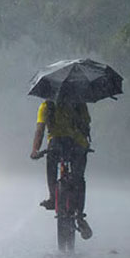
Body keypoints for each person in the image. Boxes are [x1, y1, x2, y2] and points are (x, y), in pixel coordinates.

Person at [30, 98, 92, 238]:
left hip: (56, 144)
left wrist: (35, 150)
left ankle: (53, 197)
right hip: (77, 144)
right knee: (79, 178)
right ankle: (80, 216)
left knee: (51, 163)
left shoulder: (47, 105)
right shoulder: (80, 103)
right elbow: (86, 126)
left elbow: (40, 130)